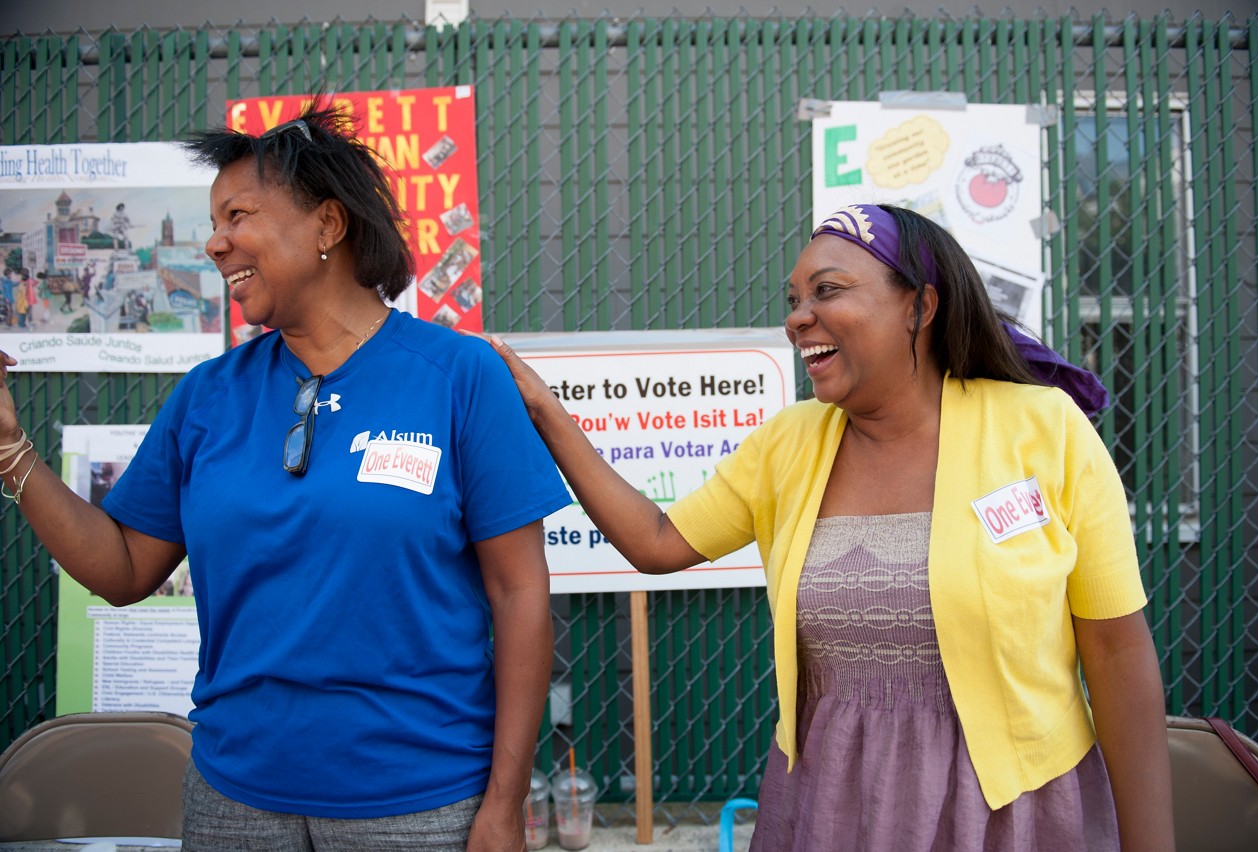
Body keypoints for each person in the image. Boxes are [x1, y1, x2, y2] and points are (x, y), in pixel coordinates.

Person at [478, 203, 1174, 851]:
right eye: (794, 299)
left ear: (919, 306)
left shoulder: (1042, 430)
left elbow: (1116, 654)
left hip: (1008, 807)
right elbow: (657, 542)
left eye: (827, 291)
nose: (798, 317)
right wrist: (545, 411)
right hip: (834, 802)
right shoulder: (790, 443)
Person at [0, 102, 570, 851]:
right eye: (212, 220)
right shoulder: (208, 396)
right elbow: (125, 568)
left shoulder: (460, 377)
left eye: (238, 214)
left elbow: (519, 592)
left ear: (328, 226)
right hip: (234, 798)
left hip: (417, 804)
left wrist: (503, 805)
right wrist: (11, 450)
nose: (213, 242)